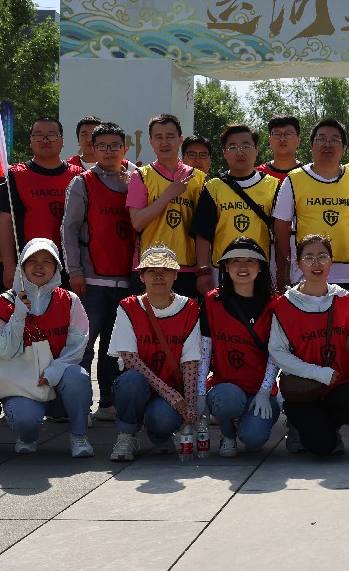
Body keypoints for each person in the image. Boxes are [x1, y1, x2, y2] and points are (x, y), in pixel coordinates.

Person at [0, 238, 94, 457]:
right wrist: (18, 316)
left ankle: (79, 435)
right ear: (22, 266)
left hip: (59, 379)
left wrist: (55, 371)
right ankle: (27, 436)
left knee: (78, 377)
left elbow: (78, 344)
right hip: (22, 384)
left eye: (47, 261)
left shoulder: (70, 300)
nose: (39, 266)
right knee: (25, 420)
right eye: (32, 260)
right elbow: (3, 352)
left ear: (56, 267)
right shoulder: (4, 303)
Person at [267, 234, 349, 458]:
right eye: (309, 258)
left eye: (323, 257)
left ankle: (331, 426)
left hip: (336, 385)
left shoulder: (344, 298)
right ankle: (297, 425)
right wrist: (317, 372)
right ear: (298, 264)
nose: (316, 263)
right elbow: (277, 351)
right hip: (303, 389)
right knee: (322, 447)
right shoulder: (284, 304)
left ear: (331, 261)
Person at [63, 121, 136, 422]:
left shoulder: (137, 179)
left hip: (127, 279)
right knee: (83, 346)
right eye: (102, 146)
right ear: (92, 149)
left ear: (125, 148)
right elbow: (69, 230)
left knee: (114, 348)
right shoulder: (82, 182)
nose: (109, 151)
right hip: (91, 281)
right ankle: (78, 403)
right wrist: (74, 271)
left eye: (115, 145)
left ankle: (108, 402)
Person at [107, 244, 202, 462]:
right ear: (141, 276)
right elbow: (130, 359)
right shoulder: (128, 307)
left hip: (171, 386)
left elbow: (190, 362)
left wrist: (189, 405)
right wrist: (168, 393)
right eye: (151, 271)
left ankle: (161, 436)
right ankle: (126, 435)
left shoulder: (189, 308)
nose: (159, 276)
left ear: (176, 274)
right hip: (140, 385)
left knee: (163, 419)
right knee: (130, 381)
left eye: (165, 270)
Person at [273, 118, 349, 303]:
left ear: (344, 148)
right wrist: (288, 264)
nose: (328, 144)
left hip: (346, 273)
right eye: (321, 138)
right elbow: (281, 226)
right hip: (305, 273)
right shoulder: (294, 179)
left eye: (334, 139)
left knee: (345, 320)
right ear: (311, 145)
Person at [199, 237, 279, 457]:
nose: (243, 267)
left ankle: (248, 422)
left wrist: (264, 392)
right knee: (228, 399)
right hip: (225, 387)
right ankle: (227, 435)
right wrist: (199, 393)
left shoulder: (275, 303)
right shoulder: (212, 301)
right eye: (235, 261)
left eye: (250, 261)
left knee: (254, 439)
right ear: (226, 266)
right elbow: (205, 351)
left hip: (260, 391)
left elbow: (276, 354)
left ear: (260, 267)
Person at [192, 124, 279, 298]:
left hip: (261, 269)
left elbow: (280, 232)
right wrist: (203, 271)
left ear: (256, 150)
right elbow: (203, 233)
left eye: (246, 146)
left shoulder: (273, 185)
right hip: (221, 271)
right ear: (224, 152)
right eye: (233, 147)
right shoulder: (214, 187)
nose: (240, 152)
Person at [128, 113, 207, 298]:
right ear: (151, 141)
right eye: (159, 137)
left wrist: (203, 270)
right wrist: (168, 195)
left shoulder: (198, 178)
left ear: (180, 140)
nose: (164, 142)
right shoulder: (141, 176)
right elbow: (137, 223)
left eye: (170, 136)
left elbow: (204, 230)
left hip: (187, 268)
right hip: (149, 267)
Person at [0, 117, 84, 287]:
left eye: (52, 135)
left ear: (62, 141)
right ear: (30, 140)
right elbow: (6, 221)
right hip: (28, 264)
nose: (45, 140)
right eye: (38, 135)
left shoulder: (79, 176)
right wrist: (9, 266)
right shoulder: (16, 175)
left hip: (71, 266)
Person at [258, 115, 303, 181]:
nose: (282, 139)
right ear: (270, 140)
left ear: (298, 140)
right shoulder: (257, 175)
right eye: (277, 134)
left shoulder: (309, 175)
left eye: (288, 134)